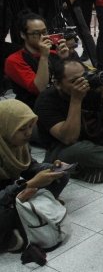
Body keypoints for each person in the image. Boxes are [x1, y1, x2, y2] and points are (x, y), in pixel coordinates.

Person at [34, 58, 103, 183]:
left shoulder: (91, 87)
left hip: (97, 140)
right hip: (65, 150)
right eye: (74, 81)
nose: (82, 82)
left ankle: (94, 166)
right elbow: (69, 138)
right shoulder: (46, 100)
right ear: (57, 84)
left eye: (83, 76)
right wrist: (76, 100)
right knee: (82, 150)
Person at [0, 100, 68, 254]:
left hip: (12, 192)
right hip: (4, 197)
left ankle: (21, 219)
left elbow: (29, 167)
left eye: (31, 126)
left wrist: (51, 168)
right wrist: (28, 184)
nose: (28, 133)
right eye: (22, 129)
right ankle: (8, 236)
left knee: (59, 175)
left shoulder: (19, 143)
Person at [4, 13, 70, 108]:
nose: (43, 37)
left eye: (44, 32)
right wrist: (43, 57)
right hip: (35, 108)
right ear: (23, 35)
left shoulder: (54, 53)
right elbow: (40, 89)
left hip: (60, 101)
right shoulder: (14, 61)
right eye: (36, 33)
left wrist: (65, 59)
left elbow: (69, 80)